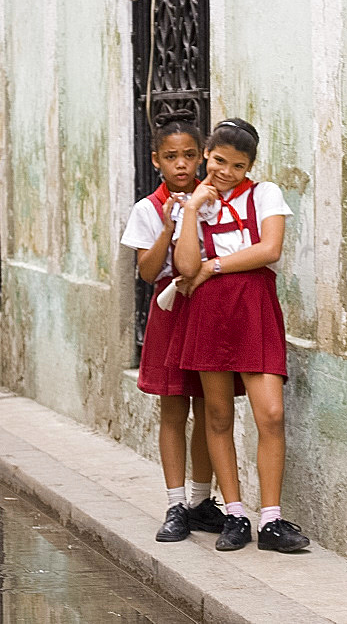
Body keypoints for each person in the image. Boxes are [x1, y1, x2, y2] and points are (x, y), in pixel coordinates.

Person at [169, 118, 310, 553]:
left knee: (271, 413)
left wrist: (215, 266)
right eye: (218, 161)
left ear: (250, 164)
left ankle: (271, 519)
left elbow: (270, 249)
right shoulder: (193, 204)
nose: (226, 171)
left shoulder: (264, 194)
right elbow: (186, 267)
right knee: (217, 416)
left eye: (237, 164)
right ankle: (234, 513)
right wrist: (192, 208)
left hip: (253, 304)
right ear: (207, 156)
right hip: (209, 312)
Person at [120, 109, 227, 542]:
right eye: (170, 156)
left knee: (208, 407)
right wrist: (168, 227)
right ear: (155, 161)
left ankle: (203, 502)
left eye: (187, 155)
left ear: (201, 157)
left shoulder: (215, 201)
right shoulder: (147, 209)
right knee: (173, 407)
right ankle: (175, 504)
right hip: (170, 310)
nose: (180, 164)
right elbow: (146, 272)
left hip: (206, 306)